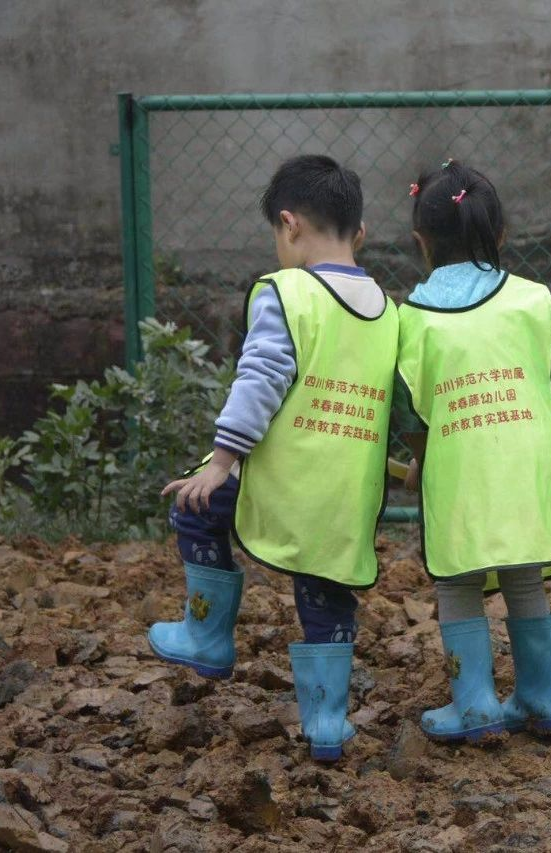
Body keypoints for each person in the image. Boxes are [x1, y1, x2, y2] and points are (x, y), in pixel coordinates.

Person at [153, 154, 398, 762]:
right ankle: (326, 726)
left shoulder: (286, 292)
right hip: (346, 496)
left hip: (282, 482)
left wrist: (220, 459)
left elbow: (261, 376)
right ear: (359, 234)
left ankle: (207, 637)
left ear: (288, 225)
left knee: (195, 506)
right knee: (326, 592)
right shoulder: (391, 311)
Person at [396, 160, 551, 744]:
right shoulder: (538, 300)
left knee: (458, 585)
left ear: (420, 242)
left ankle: (477, 708)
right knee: (524, 579)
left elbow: (408, 410)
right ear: (502, 235)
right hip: (531, 470)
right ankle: (544, 698)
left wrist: (421, 456)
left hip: (460, 474)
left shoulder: (412, 317)